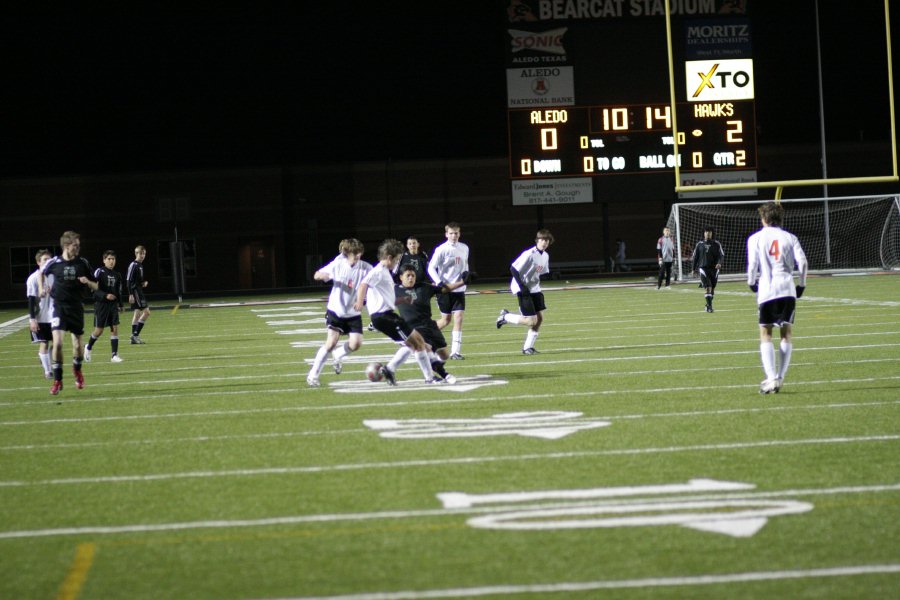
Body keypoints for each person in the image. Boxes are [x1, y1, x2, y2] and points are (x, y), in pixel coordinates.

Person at [356, 239, 437, 385]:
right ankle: (429, 378)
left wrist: (403, 300)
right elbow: (363, 284)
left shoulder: (385, 272)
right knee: (417, 344)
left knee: (417, 341)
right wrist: (359, 303)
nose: (397, 263)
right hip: (384, 317)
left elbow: (387, 299)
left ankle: (390, 369)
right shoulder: (378, 271)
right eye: (397, 259)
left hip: (388, 316)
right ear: (389, 258)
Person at [747, 201, 808, 394]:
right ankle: (780, 377)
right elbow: (803, 263)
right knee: (786, 334)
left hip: (767, 289)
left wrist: (751, 283)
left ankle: (771, 377)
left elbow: (752, 266)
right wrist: (802, 285)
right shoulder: (790, 237)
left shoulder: (755, 238)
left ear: (764, 218)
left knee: (766, 334)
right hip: (787, 288)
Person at [306, 239, 372, 387]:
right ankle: (313, 374)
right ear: (347, 254)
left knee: (356, 344)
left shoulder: (366, 268)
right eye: (354, 254)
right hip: (336, 310)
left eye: (359, 253)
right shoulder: (338, 264)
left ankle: (338, 355)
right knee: (330, 343)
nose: (357, 256)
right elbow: (317, 274)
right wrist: (322, 276)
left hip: (353, 313)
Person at [41, 231, 100, 395]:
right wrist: (42, 287)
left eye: (79, 245)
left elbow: (97, 286)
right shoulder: (54, 262)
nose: (78, 248)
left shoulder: (82, 263)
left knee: (77, 345)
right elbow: (41, 274)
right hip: (58, 307)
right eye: (75, 245)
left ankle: (77, 371)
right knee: (58, 343)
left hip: (76, 307)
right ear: (66, 246)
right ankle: (57, 380)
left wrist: (87, 281)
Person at [395, 263, 464, 383]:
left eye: (413, 275)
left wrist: (463, 282)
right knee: (426, 349)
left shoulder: (423, 287)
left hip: (430, 326)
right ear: (401, 277)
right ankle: (433, 375)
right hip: (414, 328)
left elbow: (444, 289)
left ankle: (435, 366)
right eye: (408, 275)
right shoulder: (395, 290)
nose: (411, 278)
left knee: (444, 355)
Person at [496, 229, 554, 355]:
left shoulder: (545, 256)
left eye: (547, 240)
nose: (544, 243)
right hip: (522, 289)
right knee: (530, 321)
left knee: (539, 319)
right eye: (542, 240)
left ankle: (528, 347)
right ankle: (505, 317)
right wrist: (522, 286)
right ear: (537, 240)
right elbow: (513, 268)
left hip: (535, 289)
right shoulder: (529, 253)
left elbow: (541, 272)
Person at [427, 222, 470, 359]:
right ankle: (423, 336)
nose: (454, 236)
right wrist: (439, 283)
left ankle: (455, 352)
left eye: (456, 233)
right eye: (451, 233)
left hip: (459, 289)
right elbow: (431, 268)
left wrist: (467, 275)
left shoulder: (464, 247)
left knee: (459, 318)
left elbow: (465, 265)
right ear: (446, 234)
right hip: (445, 290)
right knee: (446, 320)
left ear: (459, 233)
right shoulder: (441, 249)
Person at [85, 250, 125, 363]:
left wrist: (121, 304)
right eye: (109, 259)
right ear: (104, 260)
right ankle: (88, 347)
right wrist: (105, 295)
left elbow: (119, 291)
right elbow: (93, 289)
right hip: (101, 305)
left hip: (112, 305)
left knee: (114, 329)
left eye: (113, 259)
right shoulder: (100, 271)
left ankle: (114, 355)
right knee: (99, 330)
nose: (111, 261)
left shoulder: (117, 275)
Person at [26, 249, 54, 379]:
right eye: (44, 260)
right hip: (40, 317)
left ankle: (44, 359)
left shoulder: (52, 276)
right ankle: (48, 371)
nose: (48, 262)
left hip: (54, 316)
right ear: (38, 262)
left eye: (50, 259)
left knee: (56, 343)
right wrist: (32, 319)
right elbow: (31, 300)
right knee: (44, 342)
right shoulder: (33, 278)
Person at [691, 226, 724, 312]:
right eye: (706, 232)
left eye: (709, 232)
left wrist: (719, 263)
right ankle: (709, 307)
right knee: (708, 288)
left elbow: (721, 255)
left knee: (712, 290)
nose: (708, 234)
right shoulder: (699, 244)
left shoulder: (717, 244)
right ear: (704, 233)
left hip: (714, 270)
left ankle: (707, 304)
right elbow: (695, 257)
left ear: (712, 233)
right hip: (703, 269)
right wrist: (693, 269)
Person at [126, 245, 150, 344]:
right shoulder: (134, 264)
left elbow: (137, 281)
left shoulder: (140, 265)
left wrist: (143, 283)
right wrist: (130, 294)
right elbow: (128, 280)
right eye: (140, 253)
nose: (142, 255)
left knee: (137, 314)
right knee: (147, 312)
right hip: (136, 291)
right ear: (136, 254)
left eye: (144, 253)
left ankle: (134, 338)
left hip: (138, 290)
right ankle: (135, 335)